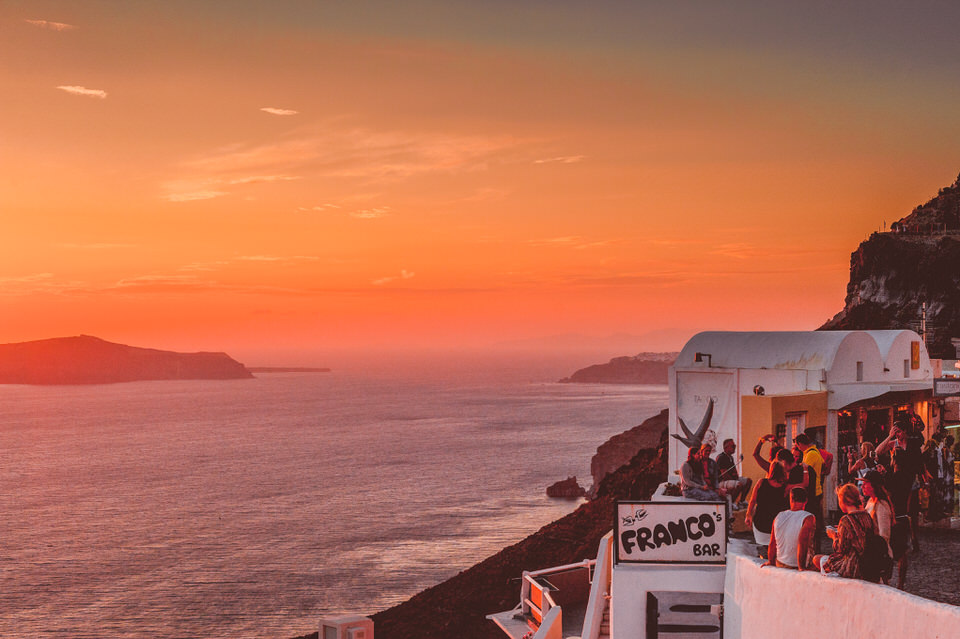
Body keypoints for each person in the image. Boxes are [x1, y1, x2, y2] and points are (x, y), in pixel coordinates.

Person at [813, 483, 878, 579]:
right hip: (867, 563)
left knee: (816, 559)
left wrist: (834, 536)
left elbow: (841, 549)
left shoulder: (846, 520)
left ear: (844, 501)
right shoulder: (866, 515)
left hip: (852, 566)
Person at [763, 487, 815, 570]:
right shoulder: (808, 517)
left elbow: (772, 543)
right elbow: (802, 542)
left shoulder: (779, 516)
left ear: (791, 499)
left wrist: (771, 561)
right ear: (806, 501)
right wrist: (801, 567)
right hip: (796, 565)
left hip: (780, 562)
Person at [744, 461, 788, 555]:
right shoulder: (785, 487)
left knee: (766, 546)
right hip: (777, 525)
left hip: (761, 523)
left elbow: (752, 500)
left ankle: (766, 553)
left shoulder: (761, 482)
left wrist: (748, 515)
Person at [862, 470, 895, 584]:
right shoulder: (870, 501)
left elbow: (884, 535)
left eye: (865, 483)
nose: (862, 487)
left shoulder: (881, 505)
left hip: (878, 553)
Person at [795, 433, 825, 540]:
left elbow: (804, 471)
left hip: (814, 490)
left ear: (799, 444)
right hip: (816, 489)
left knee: (812, 519)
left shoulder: (811, 454)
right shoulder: (812, 452)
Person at [717, 438, 752, 507]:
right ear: (726, 448)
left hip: (731, 479)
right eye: (733, 446)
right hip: (722, 481)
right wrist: (735, 479)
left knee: (748, 481)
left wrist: (735, 476)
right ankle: (731, 502)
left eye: (735, 446)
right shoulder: (721, 458)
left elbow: (734, 472)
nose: (734, 448)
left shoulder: (731, 458)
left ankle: (741, 501)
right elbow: (724, 475)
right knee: (739, 484)